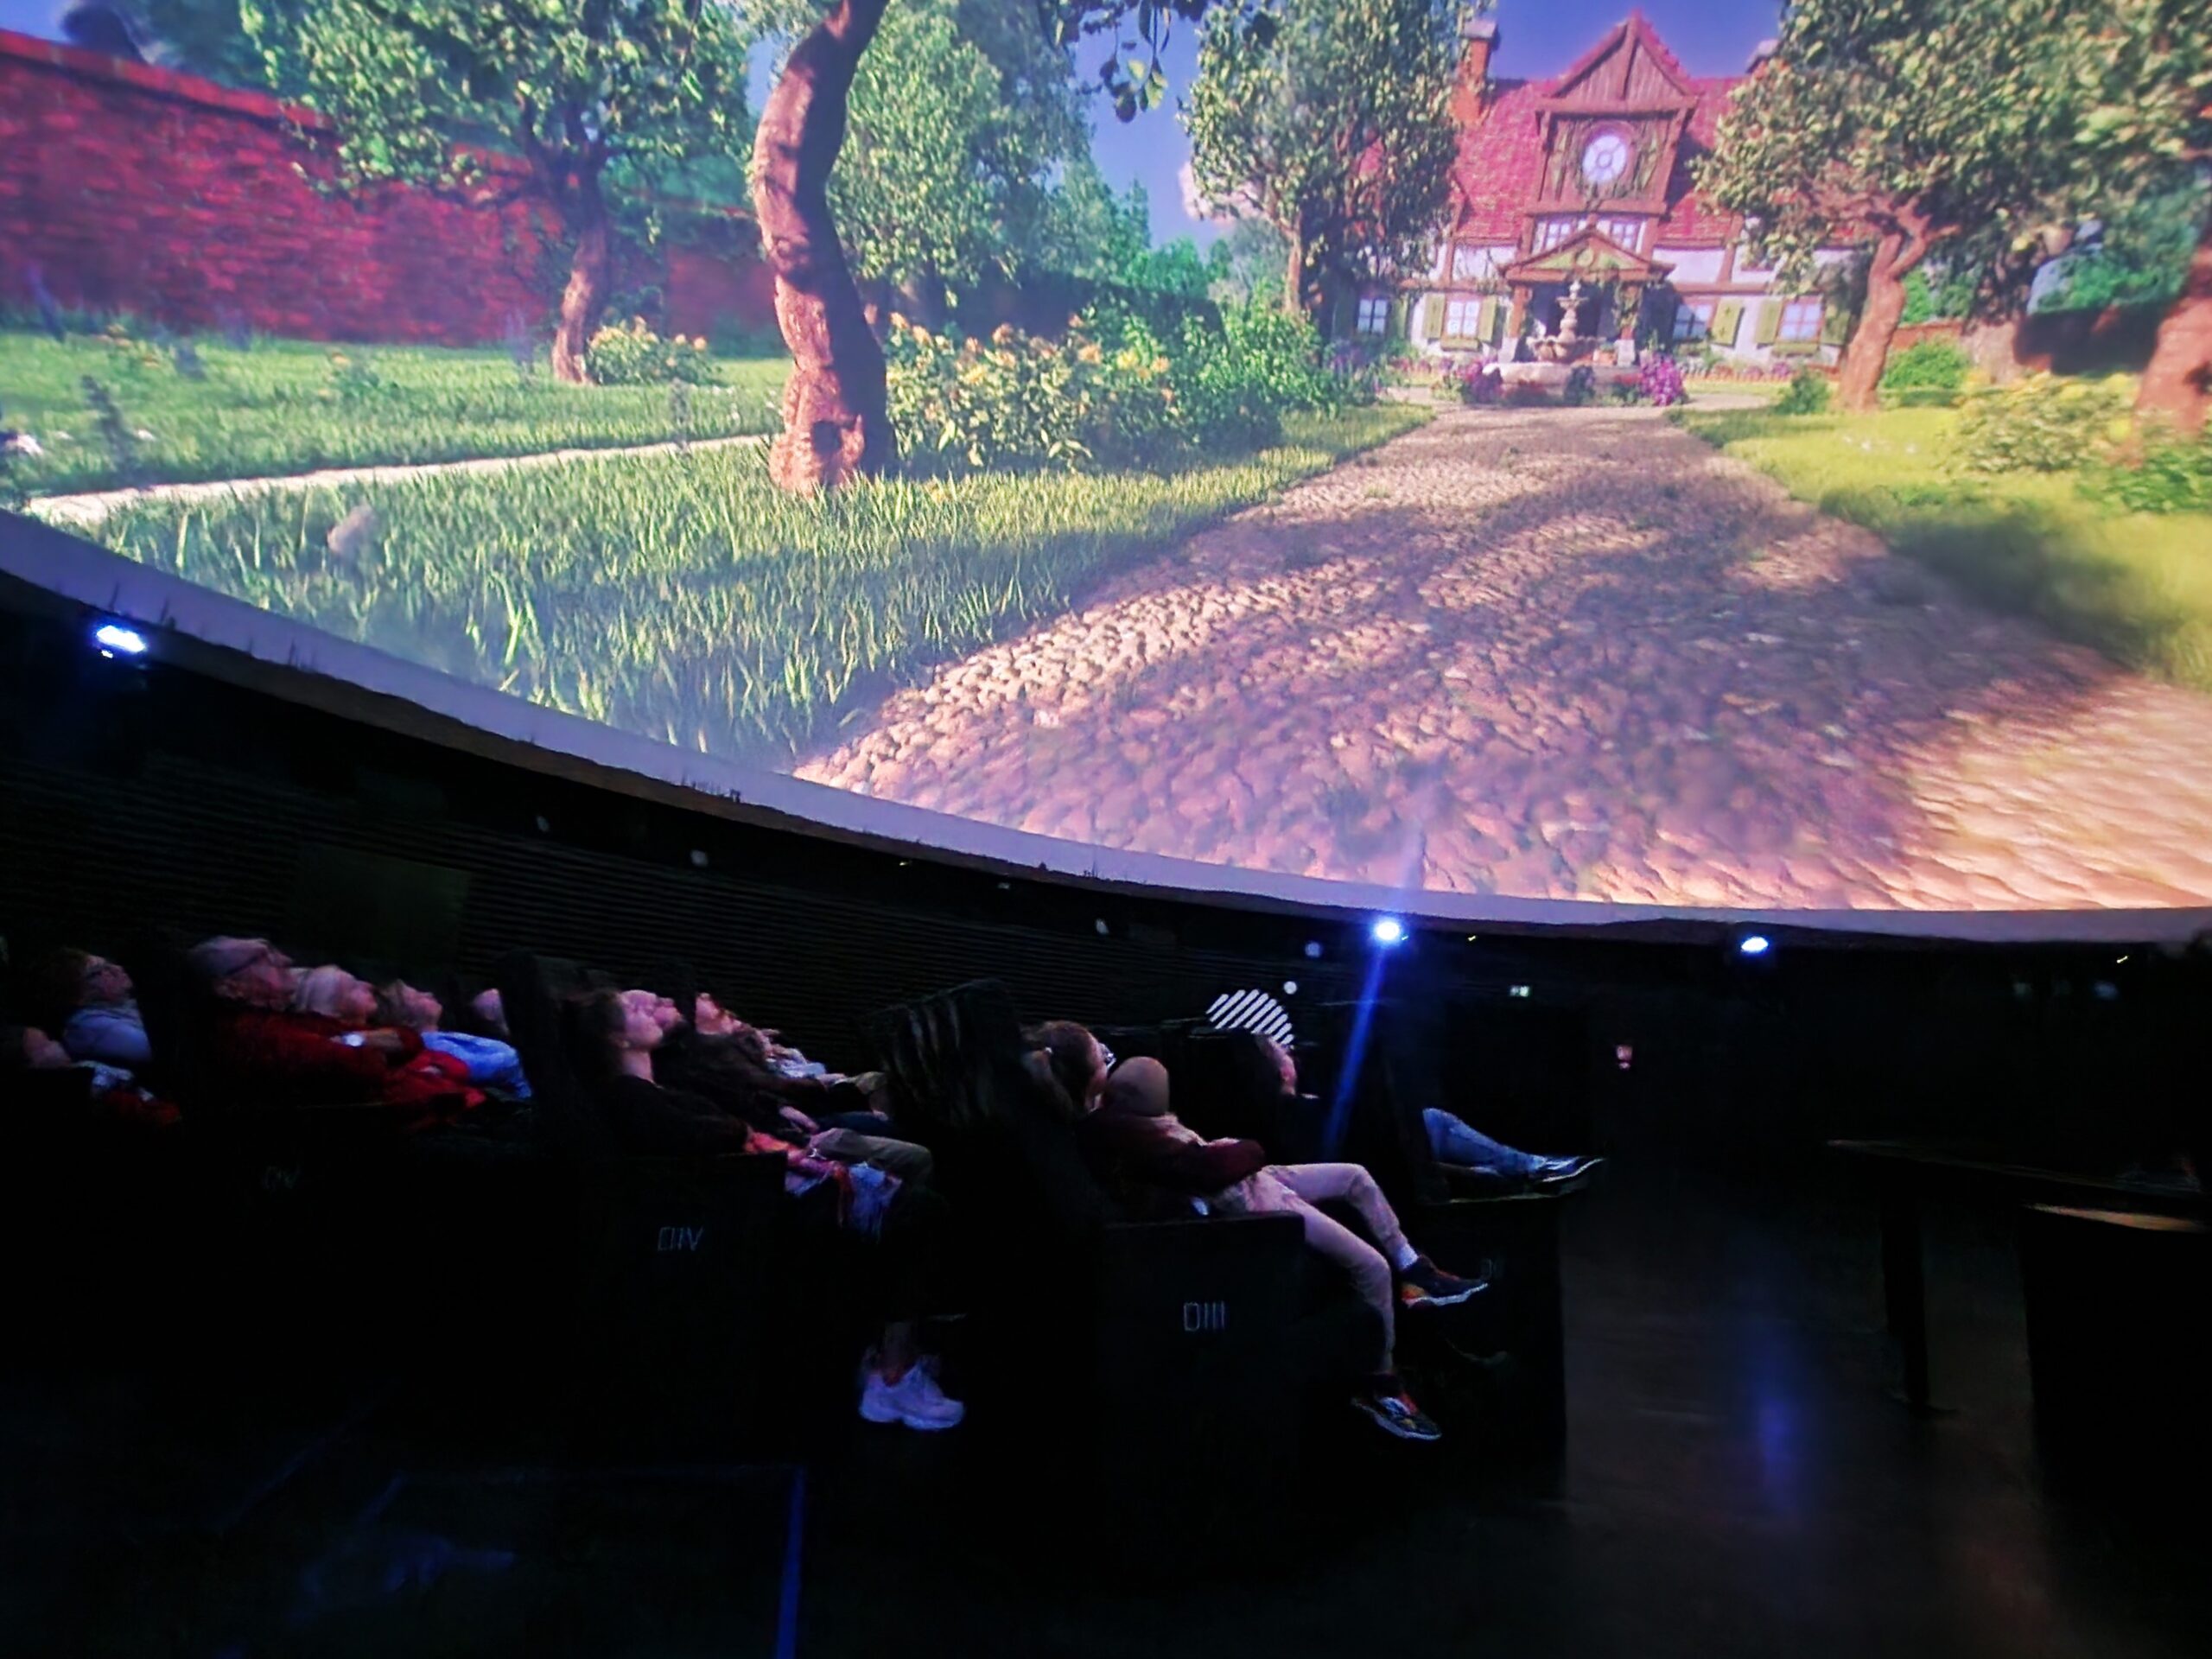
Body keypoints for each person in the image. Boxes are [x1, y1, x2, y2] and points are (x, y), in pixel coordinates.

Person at [1036, 1021, 1481, 1444]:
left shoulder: (1114, 1118)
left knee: (1355, 1177)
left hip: (1247, 1180)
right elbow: (1206, 1169)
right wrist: (1245, 1148)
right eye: (1101, 1054)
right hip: (1243, 1197)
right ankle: (1381, 1384)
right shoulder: (1110, 1127)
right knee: (1372, 1268)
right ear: (1087, 1073)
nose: (1110, 1057)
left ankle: (1415, 1270)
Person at [563, 988, 962, 1433]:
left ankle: (889, 1354)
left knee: (913, 1202)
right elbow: (701, 1138)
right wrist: (747, 1134)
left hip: (765, 1187)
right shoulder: (629, 1095)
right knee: (921, 1210)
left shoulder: (653, 1086)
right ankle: (893, 1373)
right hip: (752, 1206)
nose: (650, 1005)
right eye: (633, 1008)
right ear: (617, 1038)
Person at [1255, 1036, 1601, 1191]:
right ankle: (1534, 1168)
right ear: (1282, 1071)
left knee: (1434, 1124)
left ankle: (1531, 1167)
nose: (1293, 1055)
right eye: (1284, 1052)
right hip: (1383, 1165)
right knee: (1434, 1121)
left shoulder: (1294, 1107)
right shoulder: (1297, 1112)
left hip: (1389, 1156)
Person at [661, 992, 930, 1183]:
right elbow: (767, 1088)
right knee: (912, 1153)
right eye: (653, 1007)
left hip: (794, 1131)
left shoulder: (718, 1056)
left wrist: (783, 1107)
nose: (707, 996)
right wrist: (801, 1104)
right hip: (794, 1142)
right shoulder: (712, 1056)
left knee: (890, 1129)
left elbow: (756, 1093)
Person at [187, 938, 467, 1118]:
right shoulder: (250, 1034)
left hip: (437, 1109)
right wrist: (361, 1043)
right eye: (264, 958)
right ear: (229, 987)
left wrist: (348, 1039)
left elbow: (407, 1040)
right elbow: (362, 1066)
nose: (285, 960)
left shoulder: (291, 1020)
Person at [373, 980, 532, 1098]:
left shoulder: (440, 1037)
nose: (428, 993)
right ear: (408, 1021)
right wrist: (526, 1058)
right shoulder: (431, 1044)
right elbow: (475, 1067)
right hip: (528, 1090)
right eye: (418, 996)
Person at [4, 1021, 179, 1128]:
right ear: (32, 1065)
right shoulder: (88, 1087)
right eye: (46, 1043)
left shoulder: (80, 1068)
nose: (56, 1042)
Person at [26, 948, 152, 1070]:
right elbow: (157, 1048)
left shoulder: (120, 1006)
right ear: (76, 995)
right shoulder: (90, 1026)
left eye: (109, 964)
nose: (117, 969)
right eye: (99, 972)